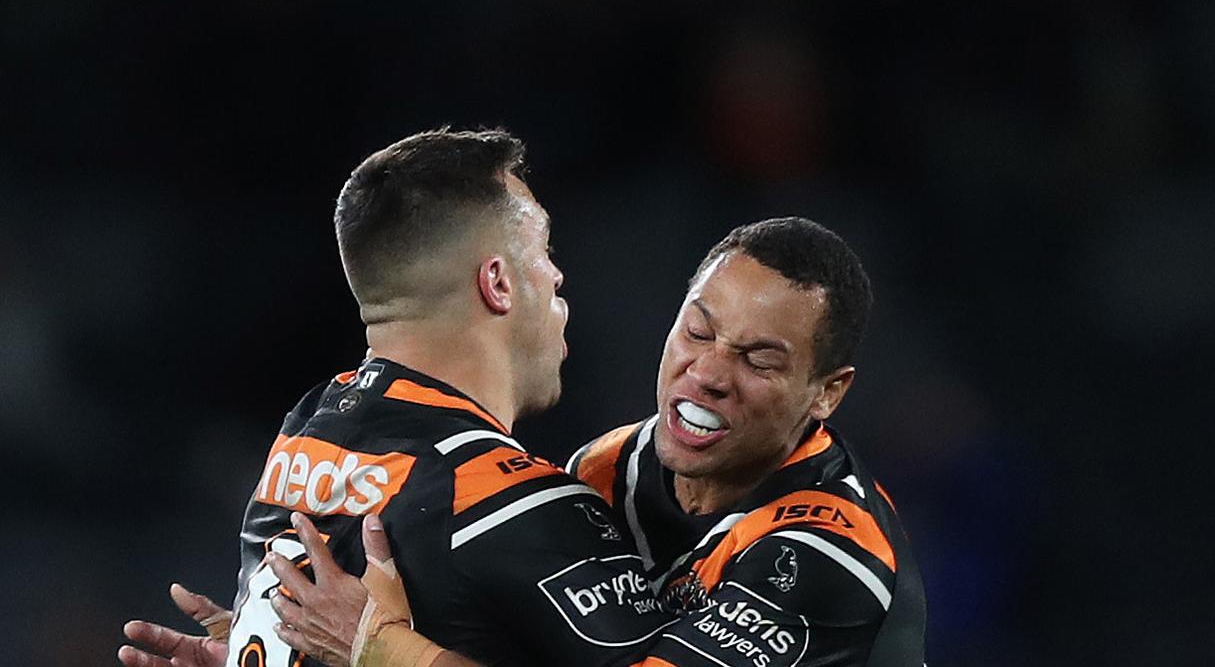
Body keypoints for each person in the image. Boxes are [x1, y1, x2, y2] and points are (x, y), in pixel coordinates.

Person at [119, 128, 675, 667]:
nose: (556, 274)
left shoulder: (303, 431)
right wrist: (386, 652)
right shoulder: (515, 504)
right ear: (498, 283)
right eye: (544, 248)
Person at [342, 218, 928, 667]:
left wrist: (389, 650)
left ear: (827, 393)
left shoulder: (829, 553)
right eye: (698, 331)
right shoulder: (605, 468)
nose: (708, 373)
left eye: (759, 360)